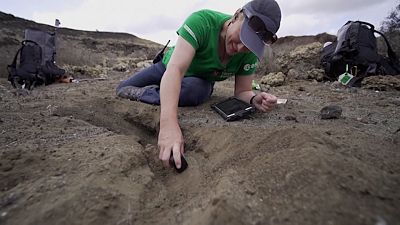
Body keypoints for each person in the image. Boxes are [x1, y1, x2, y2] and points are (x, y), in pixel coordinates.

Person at [116, 0, 281, 169]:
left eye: (248, 46)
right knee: (122, 88)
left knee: (195, 91)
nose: (240, 49)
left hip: (198, 82)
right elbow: (175, 70)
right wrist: (168, 125)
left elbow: (243, 91)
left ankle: (146, 93)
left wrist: (254, 99)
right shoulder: (202, 22)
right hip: (167, 67)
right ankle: (158, 90)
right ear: (236, 15)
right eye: (242, 37)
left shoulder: (249, 54)